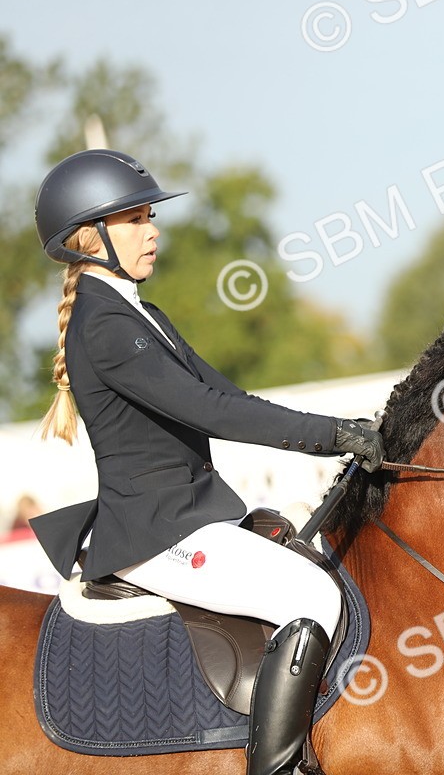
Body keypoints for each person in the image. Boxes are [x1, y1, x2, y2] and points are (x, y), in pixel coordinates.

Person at [28, 149, 384, 775]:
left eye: (148, 217)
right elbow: (210, 413)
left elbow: (228, 397)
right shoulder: (106, 325)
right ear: (91, 236)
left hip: (191, 516)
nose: (153, 230)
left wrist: (356, 429)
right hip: (157, 532)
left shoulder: (139, 313)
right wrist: (334, 435)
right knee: (312, 597)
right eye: (135, 219)